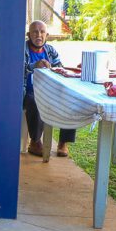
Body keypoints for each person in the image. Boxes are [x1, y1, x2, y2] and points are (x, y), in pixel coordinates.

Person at [23, 21, 77, 158]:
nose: (39, 35)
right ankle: (35, 142)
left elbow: (60, 69)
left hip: (50, 90)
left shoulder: (50, 51)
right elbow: (17, 69)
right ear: (29, 35)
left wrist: (58, 70)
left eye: (42, 32)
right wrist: (35, 65)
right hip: (28, 91)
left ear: (47, 35)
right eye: (35, 32)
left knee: (71, 100)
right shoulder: (23, 49)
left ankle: (63, 142)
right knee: (35, 101)